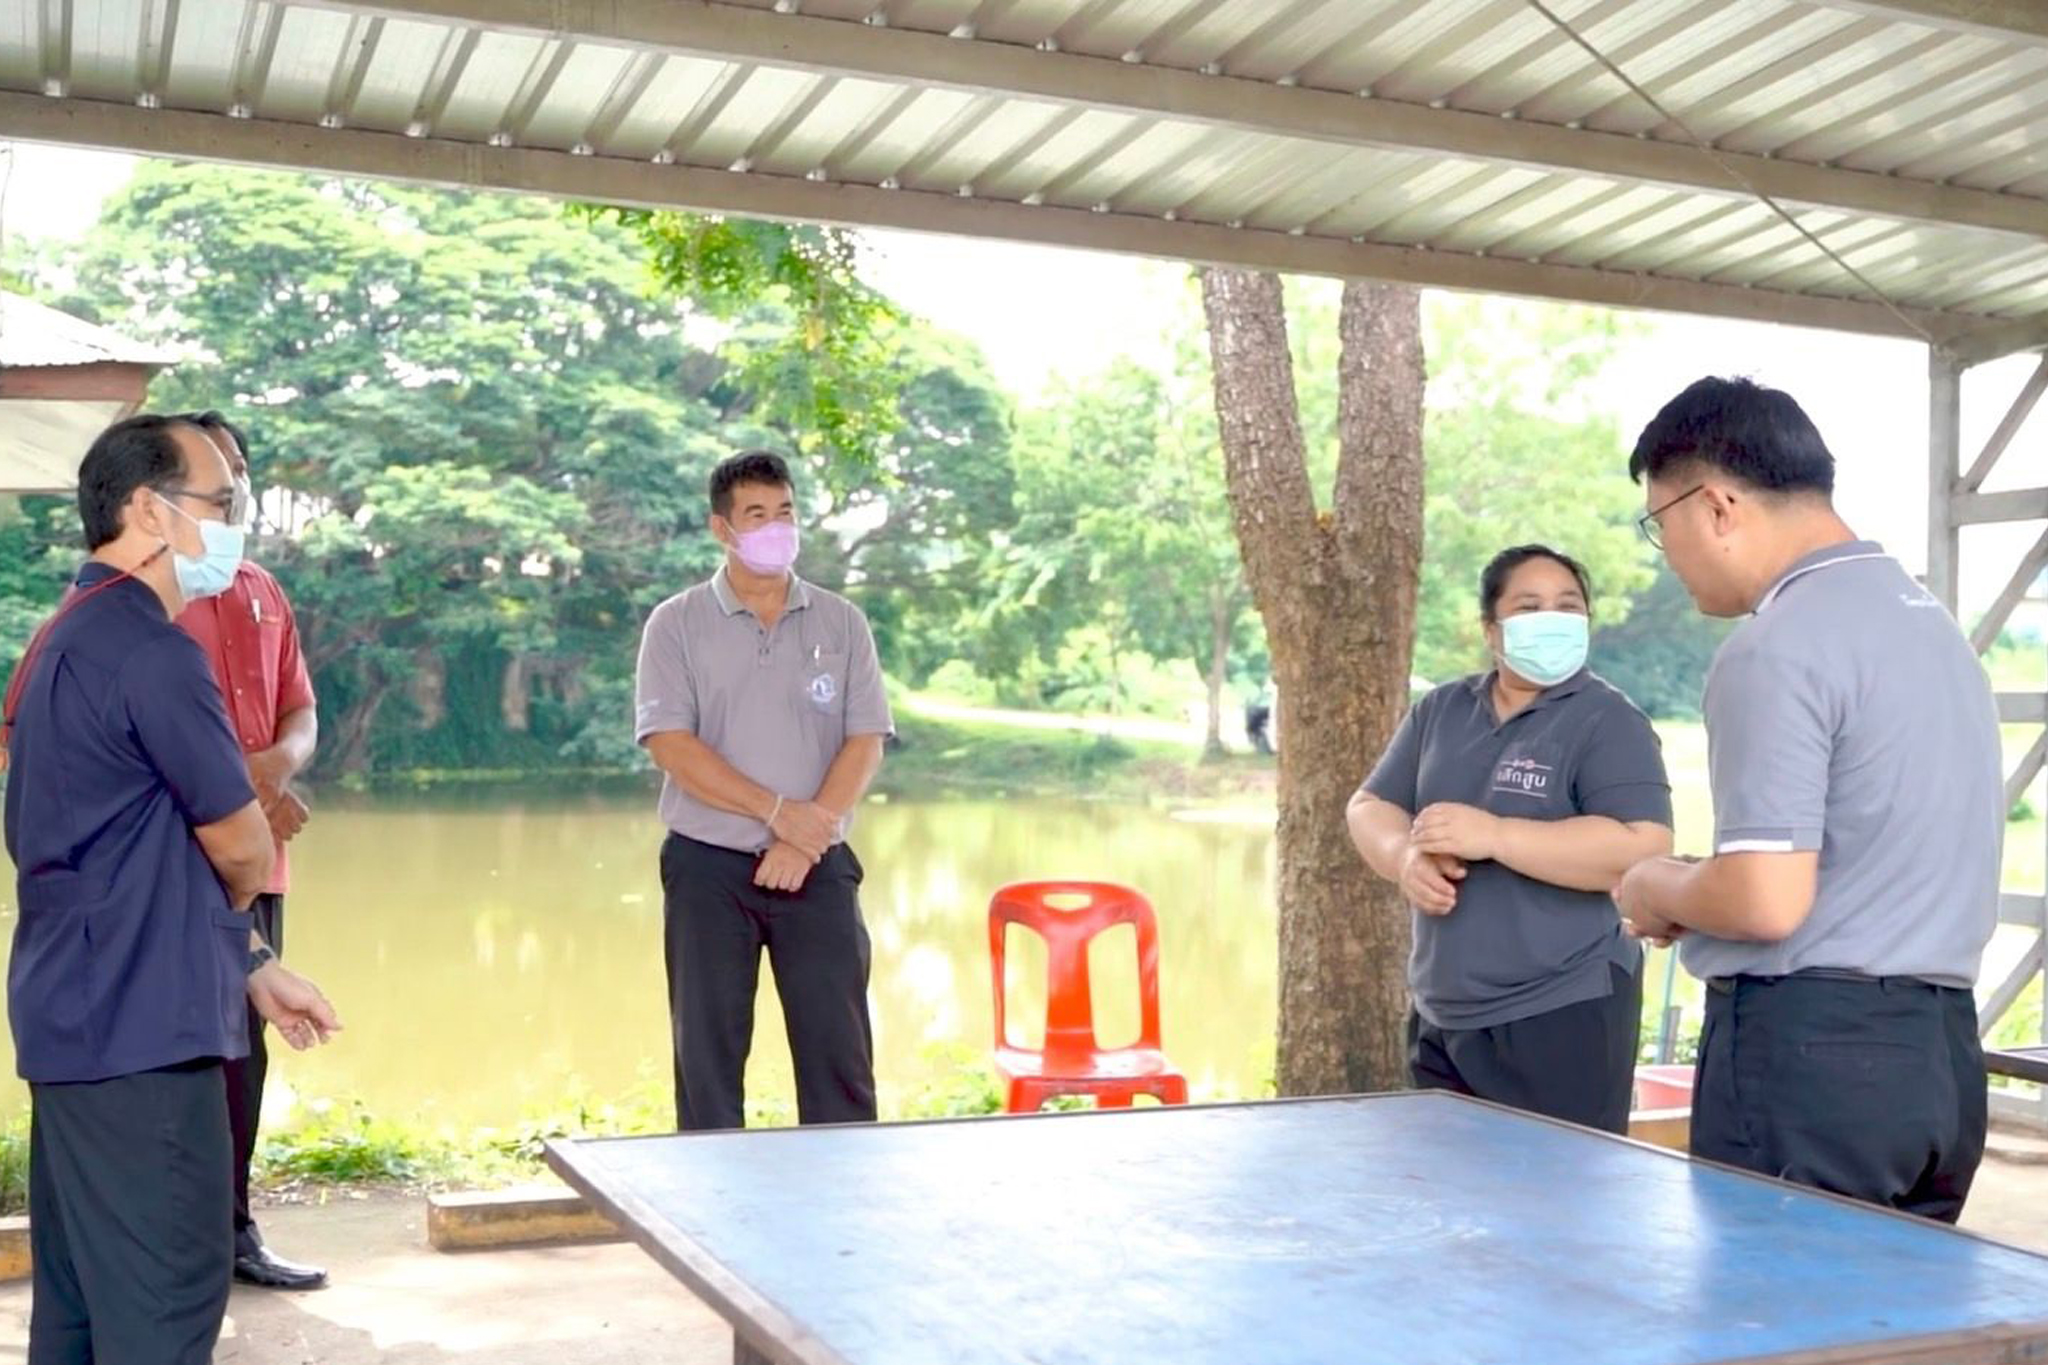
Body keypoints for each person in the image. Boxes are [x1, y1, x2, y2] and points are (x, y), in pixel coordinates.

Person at [1614, 376, 2000, 1223]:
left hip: (1812, 1062)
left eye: (1659, 525)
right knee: (1903, 1343)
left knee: (1782, 1340)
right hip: (1939, 1061)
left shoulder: (1778, 644)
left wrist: (1657, 884)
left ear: (1716, 505)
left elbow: (1764, 897)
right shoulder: (1934, 631)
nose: (1667, 554)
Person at [1, 413, 341, 1365]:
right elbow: (238, 848)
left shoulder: (62, 637)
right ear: (149, 509)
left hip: (76, 1022)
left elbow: (117, 854)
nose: (234, 522)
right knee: (165, 1295)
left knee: (77, 1308)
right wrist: (239, 918)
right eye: (220, 501)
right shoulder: (153, 651)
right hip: (144, 1033)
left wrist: (252, 961)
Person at [1346, 545, 1673, 1132]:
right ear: (1491, 629)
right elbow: (1370, 805)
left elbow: (1643, 846)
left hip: (1561, 1010)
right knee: (1450, 1203)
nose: (1552, 619)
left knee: (1553, 1207)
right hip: (1441, 1015)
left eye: (1568, 607)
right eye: (1530, 606)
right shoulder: (1443, 709)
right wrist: (1403, 857)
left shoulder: (1607, 721)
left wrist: (1497, 835)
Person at [633, 450, 894, 1131]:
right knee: (708, 1061)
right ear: (722, 528)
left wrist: (807, 837)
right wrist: (779, 815)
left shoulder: (841, 622)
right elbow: (671, 745)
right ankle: (711, 1218)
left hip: (817, 866)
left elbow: (865, 739)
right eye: (757, 515)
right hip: (709, 868)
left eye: (785, 513)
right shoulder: (676, 624)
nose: (776, 527)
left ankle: (847, 1207)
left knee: (839, 1054)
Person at [172, 411, 326, 1291]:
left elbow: (299, 710)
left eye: (237, 477)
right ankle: (179, 1239)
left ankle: (234, 1229)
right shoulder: (149, 597)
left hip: (257, 865)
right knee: (179, 1047)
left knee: (245, 1050)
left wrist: (275, 767)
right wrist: (251, 792)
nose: (229, 495)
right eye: (211, 479)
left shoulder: (263, 588)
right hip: (175, 865)